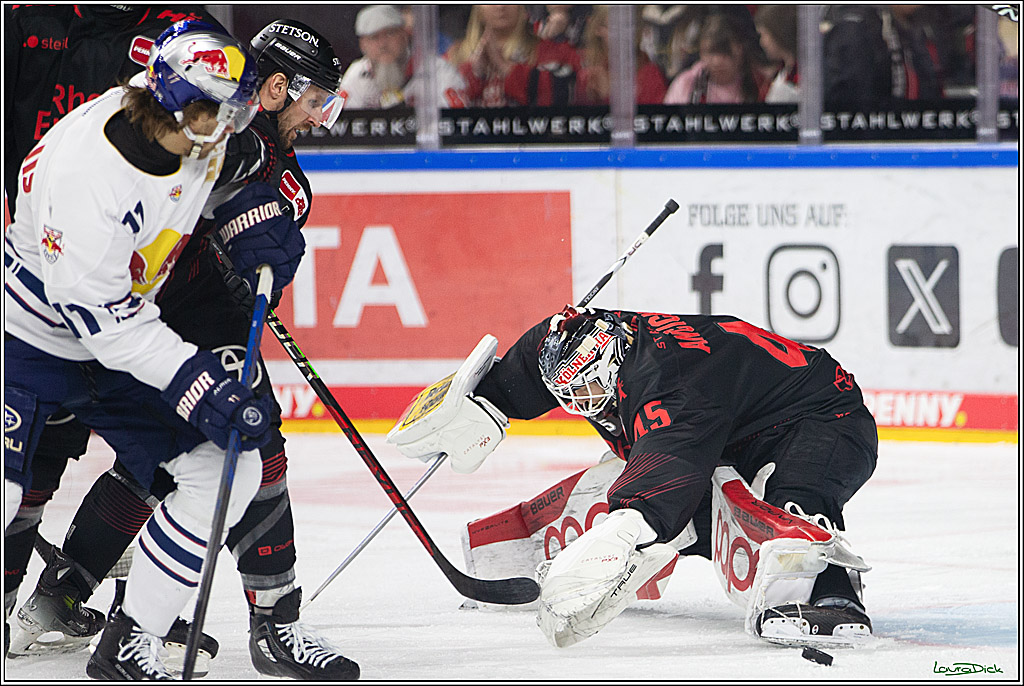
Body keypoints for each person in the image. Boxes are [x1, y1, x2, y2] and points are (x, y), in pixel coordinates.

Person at [7, 17, 361, 682]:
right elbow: (111, 301)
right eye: (319, 101)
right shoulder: (117, 156)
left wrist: (254, 236)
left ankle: (81, 602)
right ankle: (73, 598)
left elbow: (234, 177)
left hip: (171, 315)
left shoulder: (225, 131)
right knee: (212, 449)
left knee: (206, 458)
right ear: (278, 86)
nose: (322, 118)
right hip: (99, 326)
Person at [389, 306, 878, 649]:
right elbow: (537, 357)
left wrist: (623, 535)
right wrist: (487, 400)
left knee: (785, 497)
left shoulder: (673, 384)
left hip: (823, 416)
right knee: (672, 505)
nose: (585, 403)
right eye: (572, 394)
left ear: (617, 365)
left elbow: (670, 469)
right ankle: (517, 556)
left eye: (593, 389)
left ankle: (833, 596)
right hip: (735, 423)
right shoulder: (585, 338)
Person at [446, 4, 581, 107]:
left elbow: (561, 99)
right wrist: (474, 73)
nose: (501, 6)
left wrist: (505, 67)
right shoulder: (455, 55)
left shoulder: (554, 52)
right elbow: (444, 107)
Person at [340, 4, 468, 109]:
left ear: (404, 35)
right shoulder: (356, 75)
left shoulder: (438, 70)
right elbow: (336, 125)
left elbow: (459, 120)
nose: (383, 44)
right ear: (363, 45)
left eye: (390, 33)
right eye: (374, 37)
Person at [823, 5, 941, 110]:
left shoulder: (911, 26)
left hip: (913, 124)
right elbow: (852, 100)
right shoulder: (856, 28)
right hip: (876, 127)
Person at [664, 12, 769, 104]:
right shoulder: (686, 83)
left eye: (725, 53)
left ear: (740, 50)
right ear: (701, 53)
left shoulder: (760, 83)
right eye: (710, 53)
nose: (717, 61)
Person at [575, 5, 667, 106]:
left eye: (628, 26)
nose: (624, 34)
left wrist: (610, 95)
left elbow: (655, 115)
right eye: (616, 27)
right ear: (599, 29)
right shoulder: (585, 73)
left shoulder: (650, 72)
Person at [754, 5, 799, 103]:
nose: (762, 42)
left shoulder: (800, 77)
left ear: (777, 33)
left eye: (764, 35)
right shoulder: (784, 71)